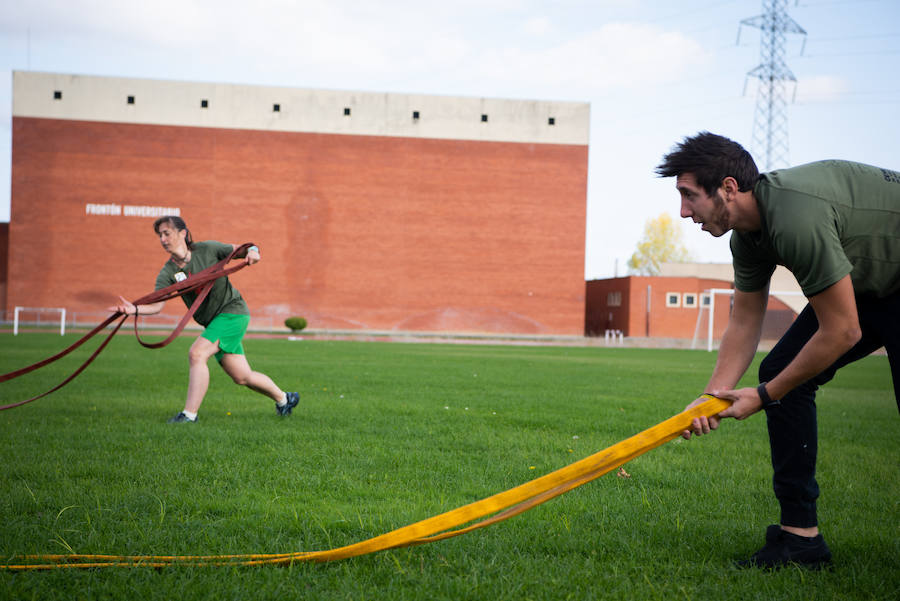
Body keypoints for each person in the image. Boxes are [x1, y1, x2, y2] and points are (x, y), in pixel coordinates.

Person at [655, 132, 899, 569]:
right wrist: (712, 399)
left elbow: (842, 330)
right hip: (874, 283)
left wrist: (764, 395)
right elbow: (745, 322)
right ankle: (800, 539)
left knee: (781, 381)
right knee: (783, 368)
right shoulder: (747, 239)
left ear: (729, 188)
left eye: (689, 196)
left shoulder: (794, 217)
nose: (683, 211)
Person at [109, 216, 299, 423]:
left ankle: (189, 415)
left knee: (197, 354)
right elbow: (156, 305)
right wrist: (133, 310)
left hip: (232, 312)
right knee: (242, 376)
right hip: (215, 322)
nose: (163, 239)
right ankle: (285, 399)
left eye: (167, 233)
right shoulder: (169, 272)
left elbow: (247, 248)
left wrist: (254, 253)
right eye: (160, 236)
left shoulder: (208, 249)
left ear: (182, 233)